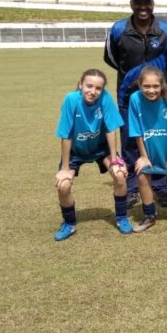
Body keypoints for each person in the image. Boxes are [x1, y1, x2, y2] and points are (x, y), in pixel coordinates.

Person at [103, 0, 167, 208]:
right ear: (131, 5)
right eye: (138, 3)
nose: (142, 7)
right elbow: (111, 57)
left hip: (159, 94)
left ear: (153, 4)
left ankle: (160, 185)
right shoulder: (119, 29)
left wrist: (156, 75)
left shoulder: (165, 29)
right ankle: (133, 186)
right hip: (128, 93)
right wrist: (133, 74)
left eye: (146, 3)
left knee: (159, 138)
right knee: (129, 139)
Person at [53, 69, 129, 241]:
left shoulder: (105, 98)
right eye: (89, 86)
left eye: (98, 88)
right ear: (81, 85)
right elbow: (66, 135)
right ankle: (69, 223)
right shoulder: (71, 100)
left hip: (100, 148)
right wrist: (65, 168)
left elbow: (111, 128)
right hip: (76, 151)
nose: (93, 91)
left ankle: (122, 218)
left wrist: (115, 159)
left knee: (120, 175)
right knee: (63, 185)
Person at [127, 66, 167, 232]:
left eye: (155, 86)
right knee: (142, 175)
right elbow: (136, 130)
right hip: (147, 148)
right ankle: (149, 215)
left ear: (162, 85)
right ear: (140, 85)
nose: (151, 90)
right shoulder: (135, 99)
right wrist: (143, 156)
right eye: (146, 86)